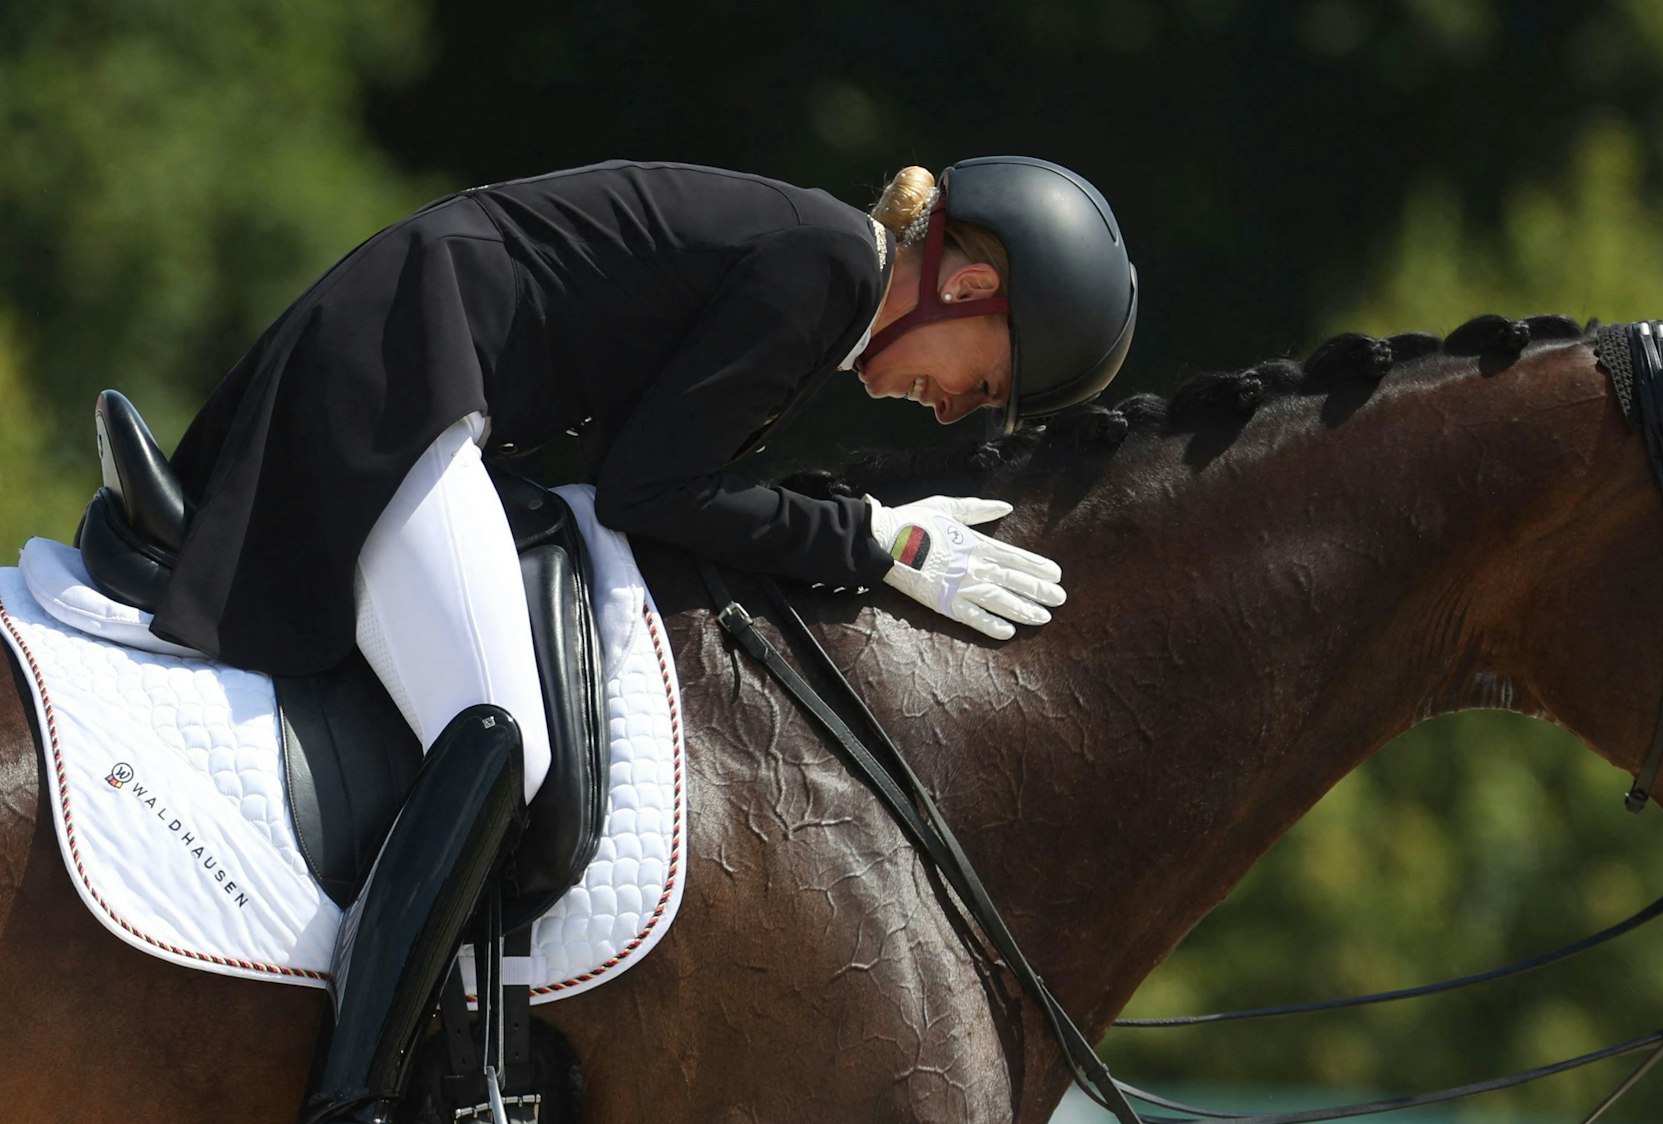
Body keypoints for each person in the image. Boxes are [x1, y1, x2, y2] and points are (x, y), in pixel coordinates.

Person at [145, 157, 1136, 1123]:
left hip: (422, 370)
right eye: (991, 380)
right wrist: (879, 540)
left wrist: (864, 532)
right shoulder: (827, 265)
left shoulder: (821, 266)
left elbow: (649, 474)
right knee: (500, 738)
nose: (961, 407)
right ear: (968, 284)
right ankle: (351, 1095)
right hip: (404, 381)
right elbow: (652, 489)